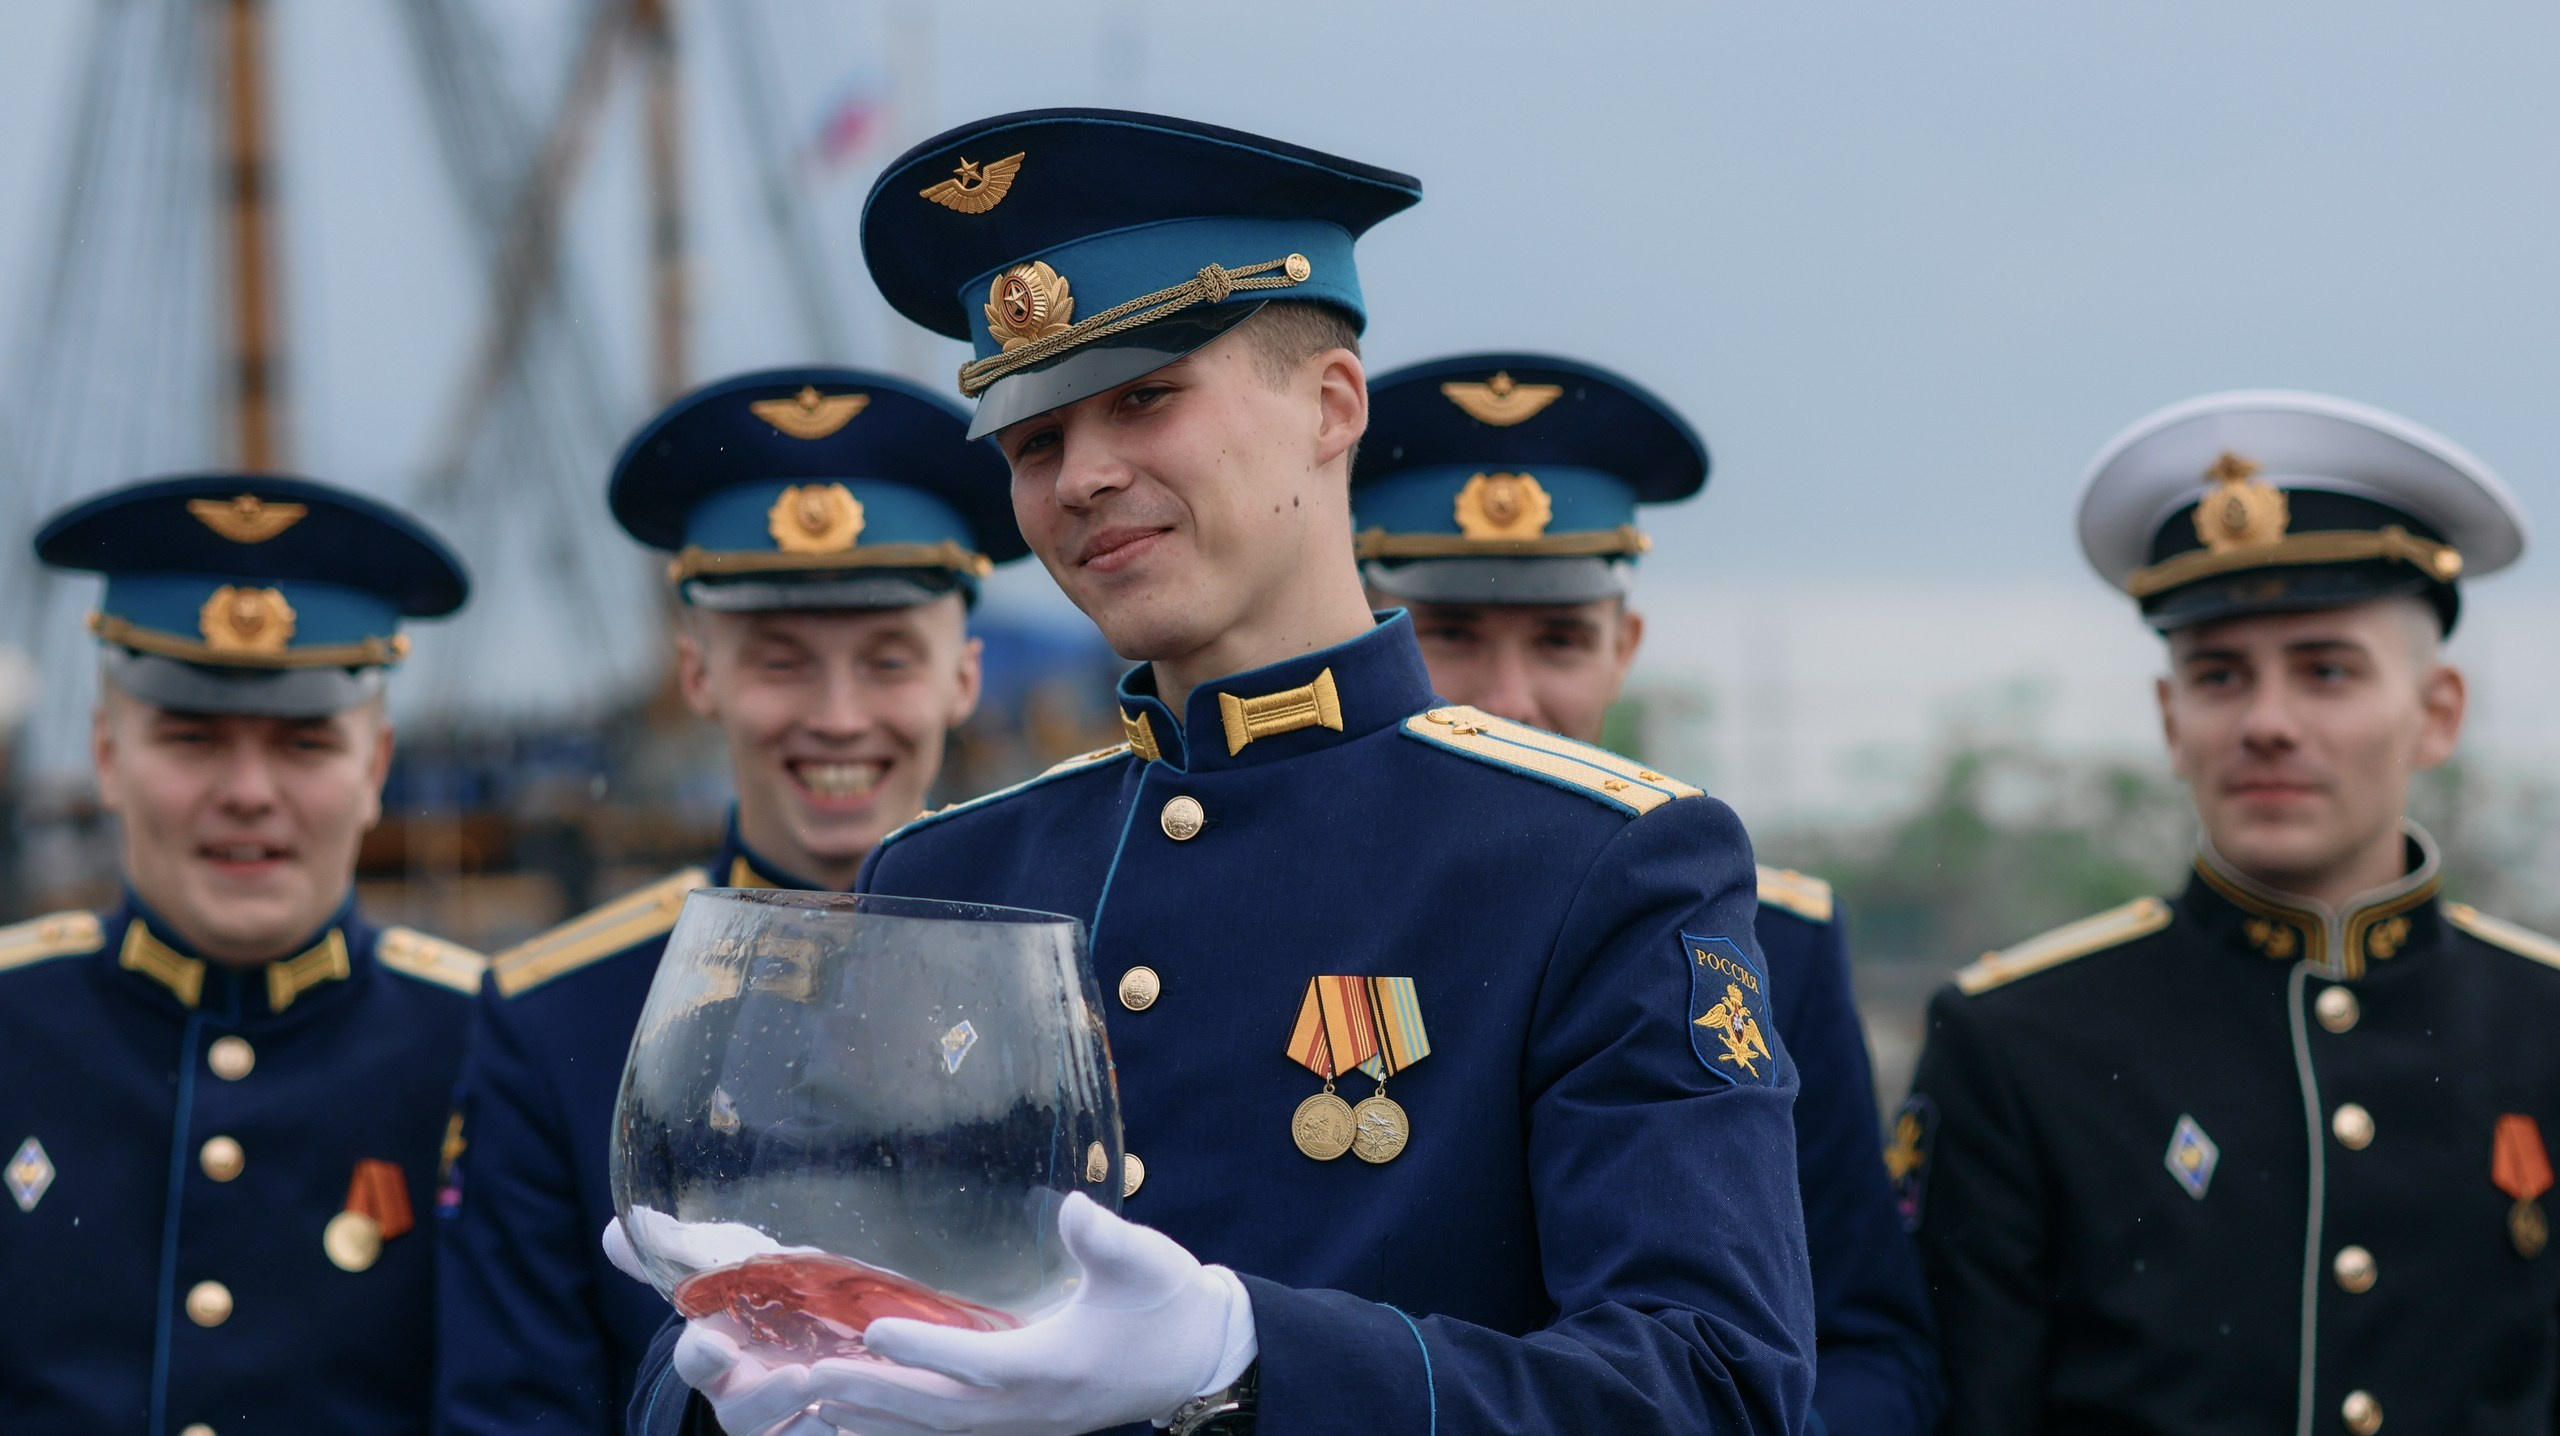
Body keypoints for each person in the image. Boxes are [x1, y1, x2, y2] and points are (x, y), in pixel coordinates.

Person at [623, 107, 1815, 1436]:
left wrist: (1251, 1357)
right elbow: (848, 1304)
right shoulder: (952, 871)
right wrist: (760, 1389)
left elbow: (1715, 1387)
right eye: (1033, 442)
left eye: (1144, 396)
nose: (1083, 477)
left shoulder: (1596, 862)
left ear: (1331, 403)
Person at [1905, 390, 2557, 1435]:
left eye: (2326, 670)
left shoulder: (2540, 1023)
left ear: (2437, 712)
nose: (2265, 722)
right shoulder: (2015, 1043)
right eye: (2217, 674)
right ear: (2170, 720)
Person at [1351, 351, 1944, 1435]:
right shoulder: (1297, 901)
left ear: (1626, 647)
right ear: (1370, 633)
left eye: (1561, 639)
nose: (1511, 695)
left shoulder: (1774, 938)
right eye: (1452, 635)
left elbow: (1865, 1341)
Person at [433, 367, 1021, 1433]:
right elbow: (514, 1409)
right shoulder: (554, 1021)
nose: (839, 715)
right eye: (782, 660)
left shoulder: (1060, 982)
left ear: (963, 674)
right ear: (697, 673)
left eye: (889, 658)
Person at [1, 474, 482, 1433]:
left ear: (375, 768)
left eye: (305, 744)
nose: (249, 792)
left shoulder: (484, 1047)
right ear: (105, 755)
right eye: (190, 738)